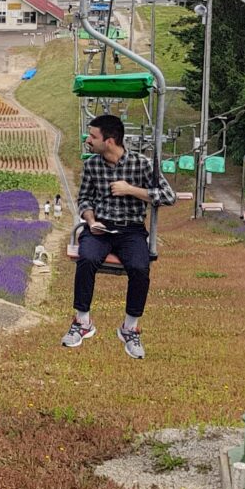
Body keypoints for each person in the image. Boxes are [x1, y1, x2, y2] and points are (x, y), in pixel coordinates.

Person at [65, 114, 176, 359]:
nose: (88, 141)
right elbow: (84, 198)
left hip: (131, 229)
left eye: (93, 137)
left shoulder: (141, 164)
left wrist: (131, 190)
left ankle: (130, 327)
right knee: (87, 259)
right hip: (101, 226)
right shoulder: (93, 165)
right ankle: (82, 321)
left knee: (139, 267)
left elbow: (168, 196)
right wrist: (91, 221)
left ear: (110, 140)